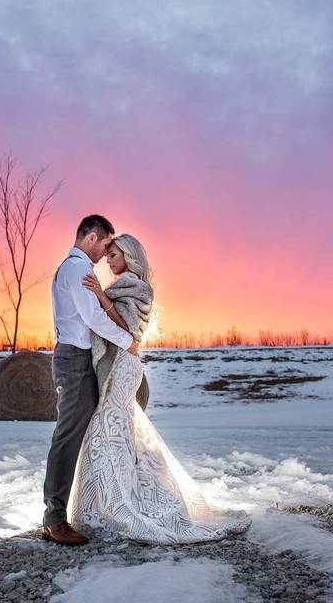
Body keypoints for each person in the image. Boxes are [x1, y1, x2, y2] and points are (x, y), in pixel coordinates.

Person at [67, 229, 251, 544]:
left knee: (106, 426)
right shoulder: (125, 286)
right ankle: (106, 502)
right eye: (108, 255)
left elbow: (126, 331)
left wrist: (99, 297)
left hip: (123, 369)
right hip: (123, 366)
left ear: (130, 255)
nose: (109, 261)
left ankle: (122, 504)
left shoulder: (137, 288)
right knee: (117, 430)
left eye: (114, 255)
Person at [42, 214, 140, 545]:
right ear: (92, 238)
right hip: (73, 360)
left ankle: (96, 502)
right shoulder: (78, 269)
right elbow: (93, 317)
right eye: (105, 246)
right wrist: (130, 341)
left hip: (75, 357)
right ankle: (54, 518)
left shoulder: (70, 268)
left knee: (91, 431)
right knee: (69, 434)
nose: (104, 255)